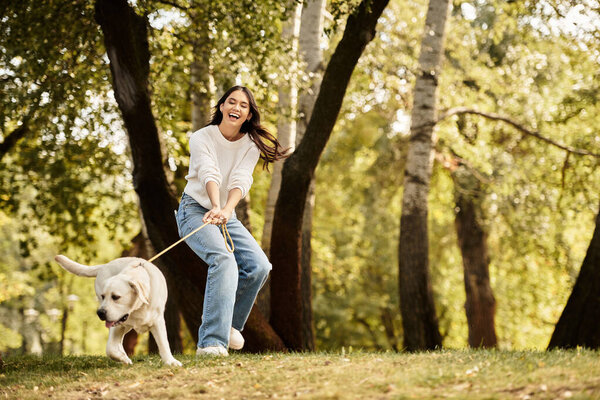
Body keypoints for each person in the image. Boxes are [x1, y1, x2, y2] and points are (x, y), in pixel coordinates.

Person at [176, 85, 289, 356]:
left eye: (243, 105)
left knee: (260, 266)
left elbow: (241, 179)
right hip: (194, 210)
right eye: (231, 102)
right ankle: (211, 342)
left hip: (227, 213)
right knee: (223, 260)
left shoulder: (250, 144)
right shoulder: (202, 137)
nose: (236, 108)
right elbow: (208, 171)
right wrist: (215, 205)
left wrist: (225, 210)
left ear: (249, 115)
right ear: (222, 107)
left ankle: (229, 324)